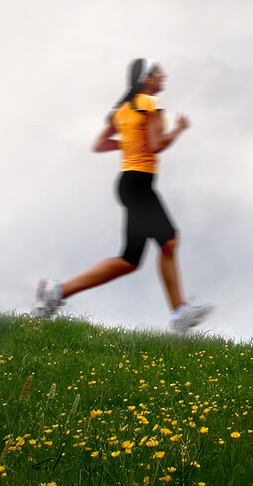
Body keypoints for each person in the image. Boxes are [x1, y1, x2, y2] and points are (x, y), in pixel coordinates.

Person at [33, 58, 213, 334]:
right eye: (158, 72)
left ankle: (57, 291)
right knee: (169, 241)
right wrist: (178, 129)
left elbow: (100, 144)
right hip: (139, 185)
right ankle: (180, 312)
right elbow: (157, 145)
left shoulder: (121, 110)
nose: (163, 75)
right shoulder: (150, 104)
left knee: (129, 260)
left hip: (128, 184)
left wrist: (129, 143)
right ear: (146, 79)